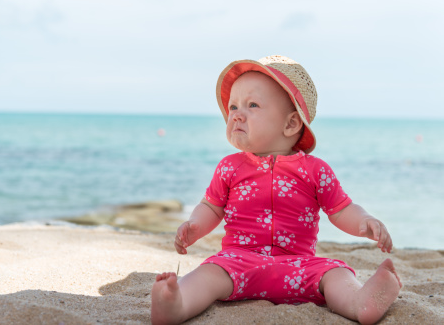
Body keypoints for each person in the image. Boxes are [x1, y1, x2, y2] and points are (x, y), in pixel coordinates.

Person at [151, 55, 402, 325]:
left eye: (252, 105)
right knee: (208, 272)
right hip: (239, 263)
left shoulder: (315, 170)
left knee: (334, 273)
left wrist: (365, 222)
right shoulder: (229, 167)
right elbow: (212, 206)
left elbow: (341, 209)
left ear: (291, 124)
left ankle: (360, 302)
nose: (236, 113)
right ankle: (176, 304)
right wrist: (195, 226)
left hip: (299, 266)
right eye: (233, 106)